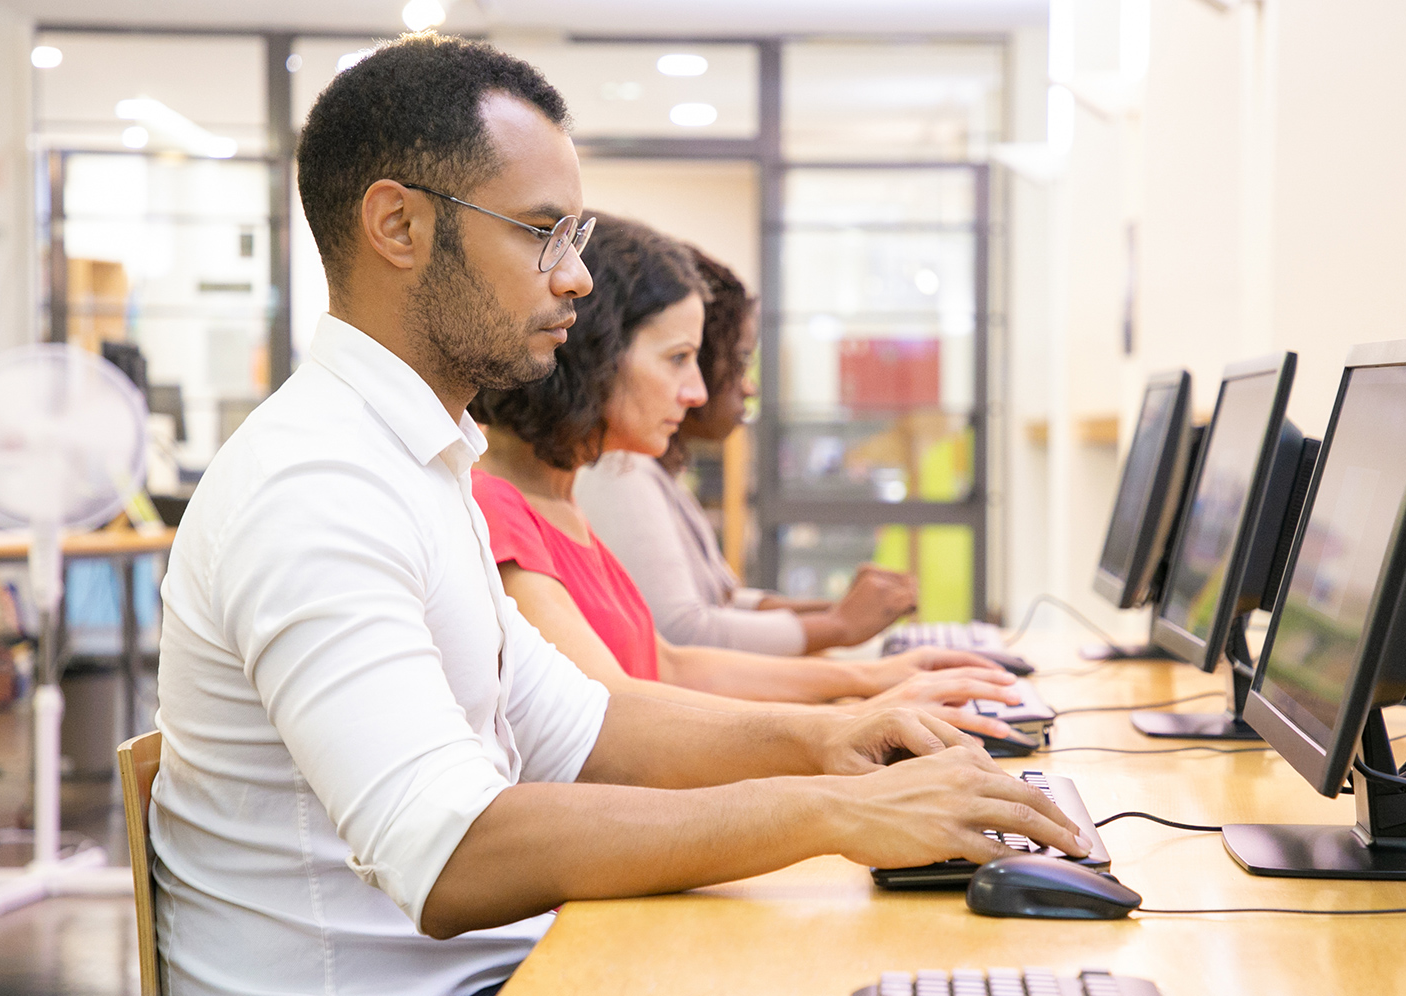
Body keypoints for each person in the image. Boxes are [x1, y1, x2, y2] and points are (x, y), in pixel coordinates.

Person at [149, 34, 1088, 996]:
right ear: (398, 227)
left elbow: (588, 727)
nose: (576, 278)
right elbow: (451, 854)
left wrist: (834, 741)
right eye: (540, 232)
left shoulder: (418, 463)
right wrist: (833, 811)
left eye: (576, 239)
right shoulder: (317, 489)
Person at [468, 213, 1024, 741]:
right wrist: (851, 720)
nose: (698, 392)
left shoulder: (562, 502)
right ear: (597, 355)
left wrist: (875, 681)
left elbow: (672, 666)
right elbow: (615, 720)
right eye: (678, 358)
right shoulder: (503, 508)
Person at [576, 248, 914, 655]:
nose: (747, 386)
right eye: (738, 362)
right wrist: (838, 627)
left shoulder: (651, 469)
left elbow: (720, 600)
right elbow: (680, 632)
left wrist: (842, 612)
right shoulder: (616, 470)